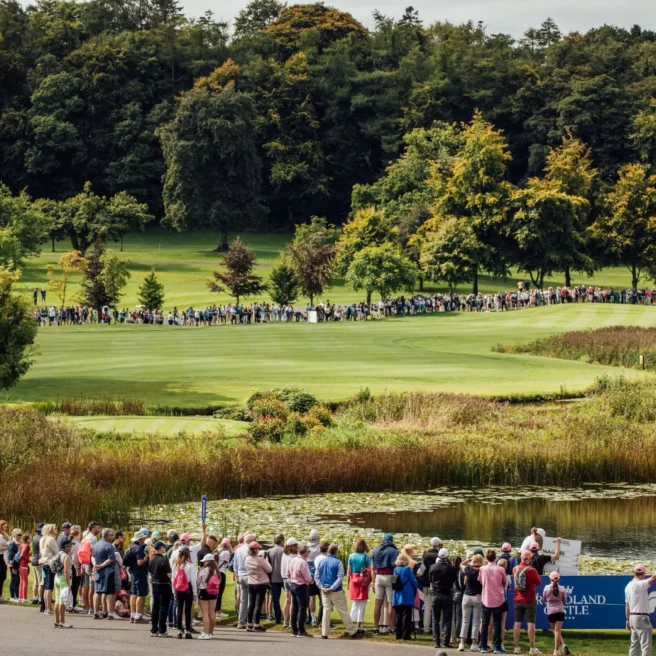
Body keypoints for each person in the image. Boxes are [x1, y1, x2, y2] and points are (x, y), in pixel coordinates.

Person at [316, 543, 360, 640]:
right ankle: (352, 630)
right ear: (336, 551)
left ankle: (324, 633)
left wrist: (321, 587)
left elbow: (317, 576)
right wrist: (332, 587)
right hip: (336, 591)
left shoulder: (321, 562)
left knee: (326, 611)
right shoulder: (338, 562)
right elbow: (340, 577)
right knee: (343, 611)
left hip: (324, 590)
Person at [512, 550, 542, 656]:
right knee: (531, 624)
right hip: (530, 599)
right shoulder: (532, 570)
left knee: (517, 623)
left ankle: (516, 647)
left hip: (517, 599)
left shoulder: (514, 569)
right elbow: (538, 582)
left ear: (521, 558)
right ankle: (532, 648)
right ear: (529, 559)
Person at [479, 550, 508, 654]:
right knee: (497, 624)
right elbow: (504, 582)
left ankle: (483, 646)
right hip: (498, 599)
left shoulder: (482, 569)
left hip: (486, 598)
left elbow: (481, 580)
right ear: (495, 557)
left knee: (485, 623)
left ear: (486, 558)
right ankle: (497, 646)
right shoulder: (500, 569)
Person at [429, 547, 458, 649]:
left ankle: (436, 641)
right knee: (447, 620)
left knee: (435, 619)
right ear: (447, 556)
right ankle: (445, 642)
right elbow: (454, 581)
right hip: (447, 595)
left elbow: (431, 581)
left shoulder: (432, 567)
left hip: (436, 595)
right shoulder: (452, 568)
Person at [625, 564, 656, 656]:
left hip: (632, 618)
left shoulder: (628, 586)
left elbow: (627, 605)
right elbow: (653, 578)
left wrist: (627, 620)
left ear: (634, 573)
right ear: (644, 573)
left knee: (634, 646)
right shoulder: (640, 584)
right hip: (641, 618)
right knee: (645, 646)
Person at [92, 527, 121, 620]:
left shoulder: (96, 544)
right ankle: (111, 612)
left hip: (98, 571)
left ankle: (96, 611)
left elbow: (92, 556)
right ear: (108, 535)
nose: (113, 537)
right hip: (108, 571)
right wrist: (101, 565)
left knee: (97, 591)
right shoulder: (109, 546)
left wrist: (95, 565)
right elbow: (111, 559)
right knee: (110, 592)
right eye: (112, 535)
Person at [373, 533, 399, 635]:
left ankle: (376, 628)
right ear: (391, 541)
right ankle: (391, 628)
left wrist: (373, 581)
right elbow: (396, 566)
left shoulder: (376, 551)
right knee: (390, 603)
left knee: (377, 604)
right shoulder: (395, 551)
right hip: (390, 577)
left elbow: (373, 567)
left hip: (379, 577)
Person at [459, 553, 484, 652]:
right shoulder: (483, 571)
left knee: (465, 621)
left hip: (467, 596)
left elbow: (461, 564)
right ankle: (474, 644)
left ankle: (461, 643)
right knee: (476, 622)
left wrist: (468, 559)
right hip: (478, 597)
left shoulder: (468, 569)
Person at [172, 545, 197, 639]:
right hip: (188, 587)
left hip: (178, 588)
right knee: (187, 610)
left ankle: (179, 631)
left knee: (179, 609)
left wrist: (173, 591)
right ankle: (188, 631)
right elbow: (193, 580)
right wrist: (194, 592)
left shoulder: (175, 565)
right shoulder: (191, 565)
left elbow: (173, 579)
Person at [245, 541, 271, 632]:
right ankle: (256, 624)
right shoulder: (260, 560)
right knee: (258, 604)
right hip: (260, 583)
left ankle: (249, 624)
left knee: (251, 603)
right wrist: (266, 561)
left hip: (251, 583)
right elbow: (269, 569)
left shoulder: (247, 559)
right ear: (256, 550)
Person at [124, 529, 149, 623]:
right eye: (143, 538)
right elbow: (140, 562)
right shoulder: (138, 548)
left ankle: (133, 614)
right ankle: (138, 615)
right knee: (141, 594)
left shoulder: (130, 546)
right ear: (141, 538)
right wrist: (146, 557)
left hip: (133, 572)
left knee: (133, 593)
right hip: (139, 573)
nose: (144, 539)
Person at [288, 544, 313, 638]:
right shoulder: (303, 562)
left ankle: (294, 629)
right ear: (305, 552)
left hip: (293, 584)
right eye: (308, 551)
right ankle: (301, 630)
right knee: (302, 608)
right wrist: (312, 581)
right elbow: (307, 578)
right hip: (301, 586)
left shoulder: (293, 560)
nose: (309, 553)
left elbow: (288, 573)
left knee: (295, 607)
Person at [347, 539, 372, 631]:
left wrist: (348, 582)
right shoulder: (367, 557)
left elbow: (348, 571)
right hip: (363, 580)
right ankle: (359, 625)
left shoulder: (351, 556)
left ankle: (351, 625)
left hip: (353, 580)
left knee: (354, 603)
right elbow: (369, 571)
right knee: (362, 604)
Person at [149, 540, 172, 637]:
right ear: (161, 548)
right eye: (164, 547)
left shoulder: (152, 559)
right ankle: (162, 630)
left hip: (155, 584)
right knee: (163, 608)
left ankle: (154, 629)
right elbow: (169, 575)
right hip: (164, 584)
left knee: (155, 607)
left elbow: (150, 571)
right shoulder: (164, 560)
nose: (165, 548)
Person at [392, 552, 418, 641]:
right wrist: (415, 590)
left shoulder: (395, 570)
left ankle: (398, 634)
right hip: (406, 594)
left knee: (399, 615)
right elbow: (414, 581)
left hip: (397, 594)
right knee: (406, 616)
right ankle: (406, 635)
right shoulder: (407, 569)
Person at [543, 571, 569, 656]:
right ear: (559, 579)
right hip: (560, 611)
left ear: (550, 578)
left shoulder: (546, 588)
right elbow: (565, 601)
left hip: (551, 611)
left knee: (554, 630)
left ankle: (556, 650)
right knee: (557, 631)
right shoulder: (562, 588)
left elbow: (544, 599)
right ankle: (561, 646)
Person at [419, 537, 442, 634]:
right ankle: (438, 629)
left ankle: (426, 628)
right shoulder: (440, 555)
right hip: (438, 585)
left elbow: (421, 570)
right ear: (438, 545)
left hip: (427, 584)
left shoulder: (426, 555)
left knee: (427, 606)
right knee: (437, 607)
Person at [233, 531, 256, 629]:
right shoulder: (251, 549)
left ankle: (241, 621)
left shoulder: (238, 550)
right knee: (251, 599)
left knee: (243, 600)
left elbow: (235, 564)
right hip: (250, 576)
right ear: (250, 541)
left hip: (241, 576)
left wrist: (237, 575)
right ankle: (250, 621)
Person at [196, 553, 219, 639]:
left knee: (205, 614)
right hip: (213, 592)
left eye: (204, 561)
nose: (203, 563)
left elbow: (197, 583)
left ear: (207, 561)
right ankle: (210, 632)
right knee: (212, 613)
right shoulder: (216, 571)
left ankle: (206, 633)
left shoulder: (203, 571)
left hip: (203, 591)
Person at [52, 539, 73, 628]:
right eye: (70, 546)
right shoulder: (66, 556)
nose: (71, 547)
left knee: (57, 600)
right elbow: (66, 571)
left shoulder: (58, 554)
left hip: (57, 577)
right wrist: (68, 584)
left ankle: (57, 621)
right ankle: (62, 621)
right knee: (63, 601)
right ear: (66, 547)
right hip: (63, 579)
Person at [39, 524, 59, 616]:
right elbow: (57, 552)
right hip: (50, 564)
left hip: (44, 563)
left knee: (47, 586)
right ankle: (49, 608)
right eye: (54, 528)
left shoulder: (42, 539)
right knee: (49, 587)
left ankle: (47, 608)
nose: (56, 530)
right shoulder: (51, 539)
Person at [267, 533, 285, 624]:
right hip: (284, 577)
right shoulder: (285, 550)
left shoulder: (269, 551)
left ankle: (278, 618)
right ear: (281, 541)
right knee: (290, 598)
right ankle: (288, 617)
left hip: (274, 578)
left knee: (275, 599)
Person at [281, 538, 299, 628]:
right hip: (291, 579)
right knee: (292, 601)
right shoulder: (294, 556)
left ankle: (285, 621)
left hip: (284, 578)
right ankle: (292, 621)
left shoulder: (284, 554)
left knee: (287, 600)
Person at [307, 529, 321, 626]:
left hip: (310, 577)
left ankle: (313, 619)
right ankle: (321, 618)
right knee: (322, 599)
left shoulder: (307, 547)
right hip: (319, 576)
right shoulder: (320, 547)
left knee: (311, 598)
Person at [216, 537, 231, 618]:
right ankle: (218, 611)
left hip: (216, 573)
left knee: (216, 592)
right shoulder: (226, 553)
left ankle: (216, 610)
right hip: (221, 573)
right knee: (220, 593)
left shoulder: (217, 551)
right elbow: (229, 564)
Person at [7, 528, 21, 602]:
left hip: (17, 564)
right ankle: (12, 596)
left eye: (21, 535)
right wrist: (13, 567)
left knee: (17, 580)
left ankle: (17, 595)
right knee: (14, 580)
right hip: (13, 565)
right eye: (19, 535)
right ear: (15, 535)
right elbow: (10, 556)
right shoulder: (12, 544)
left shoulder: (18, 543)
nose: (20, 536)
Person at [31, 523, 44, 605]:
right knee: (41, 582)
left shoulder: (34, 537)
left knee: (35, 581)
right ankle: (40, 598)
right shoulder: (41, 539)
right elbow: (41, 551)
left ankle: (34, 598)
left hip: (34, 559)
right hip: (39, 560)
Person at [18, 532, 31, 603]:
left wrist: (28, 554)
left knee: (22, 581)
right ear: (27, 539)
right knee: (25, 581)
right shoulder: (26, 546)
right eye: (30, 539)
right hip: (24, 565)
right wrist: (28, 560)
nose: (31, 540)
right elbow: (22, 555)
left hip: (21, 565)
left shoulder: (22, 545)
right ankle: (24, 598)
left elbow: (21, 553)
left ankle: (20, 597)